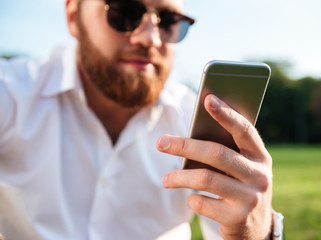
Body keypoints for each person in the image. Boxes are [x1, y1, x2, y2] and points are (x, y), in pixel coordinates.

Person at [0, 0, 283, 239]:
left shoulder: (198, 120)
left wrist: (259, 230)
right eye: (124, 13)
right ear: (74, 17)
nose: (150, 38)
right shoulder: (11, 94)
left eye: (169, 21)